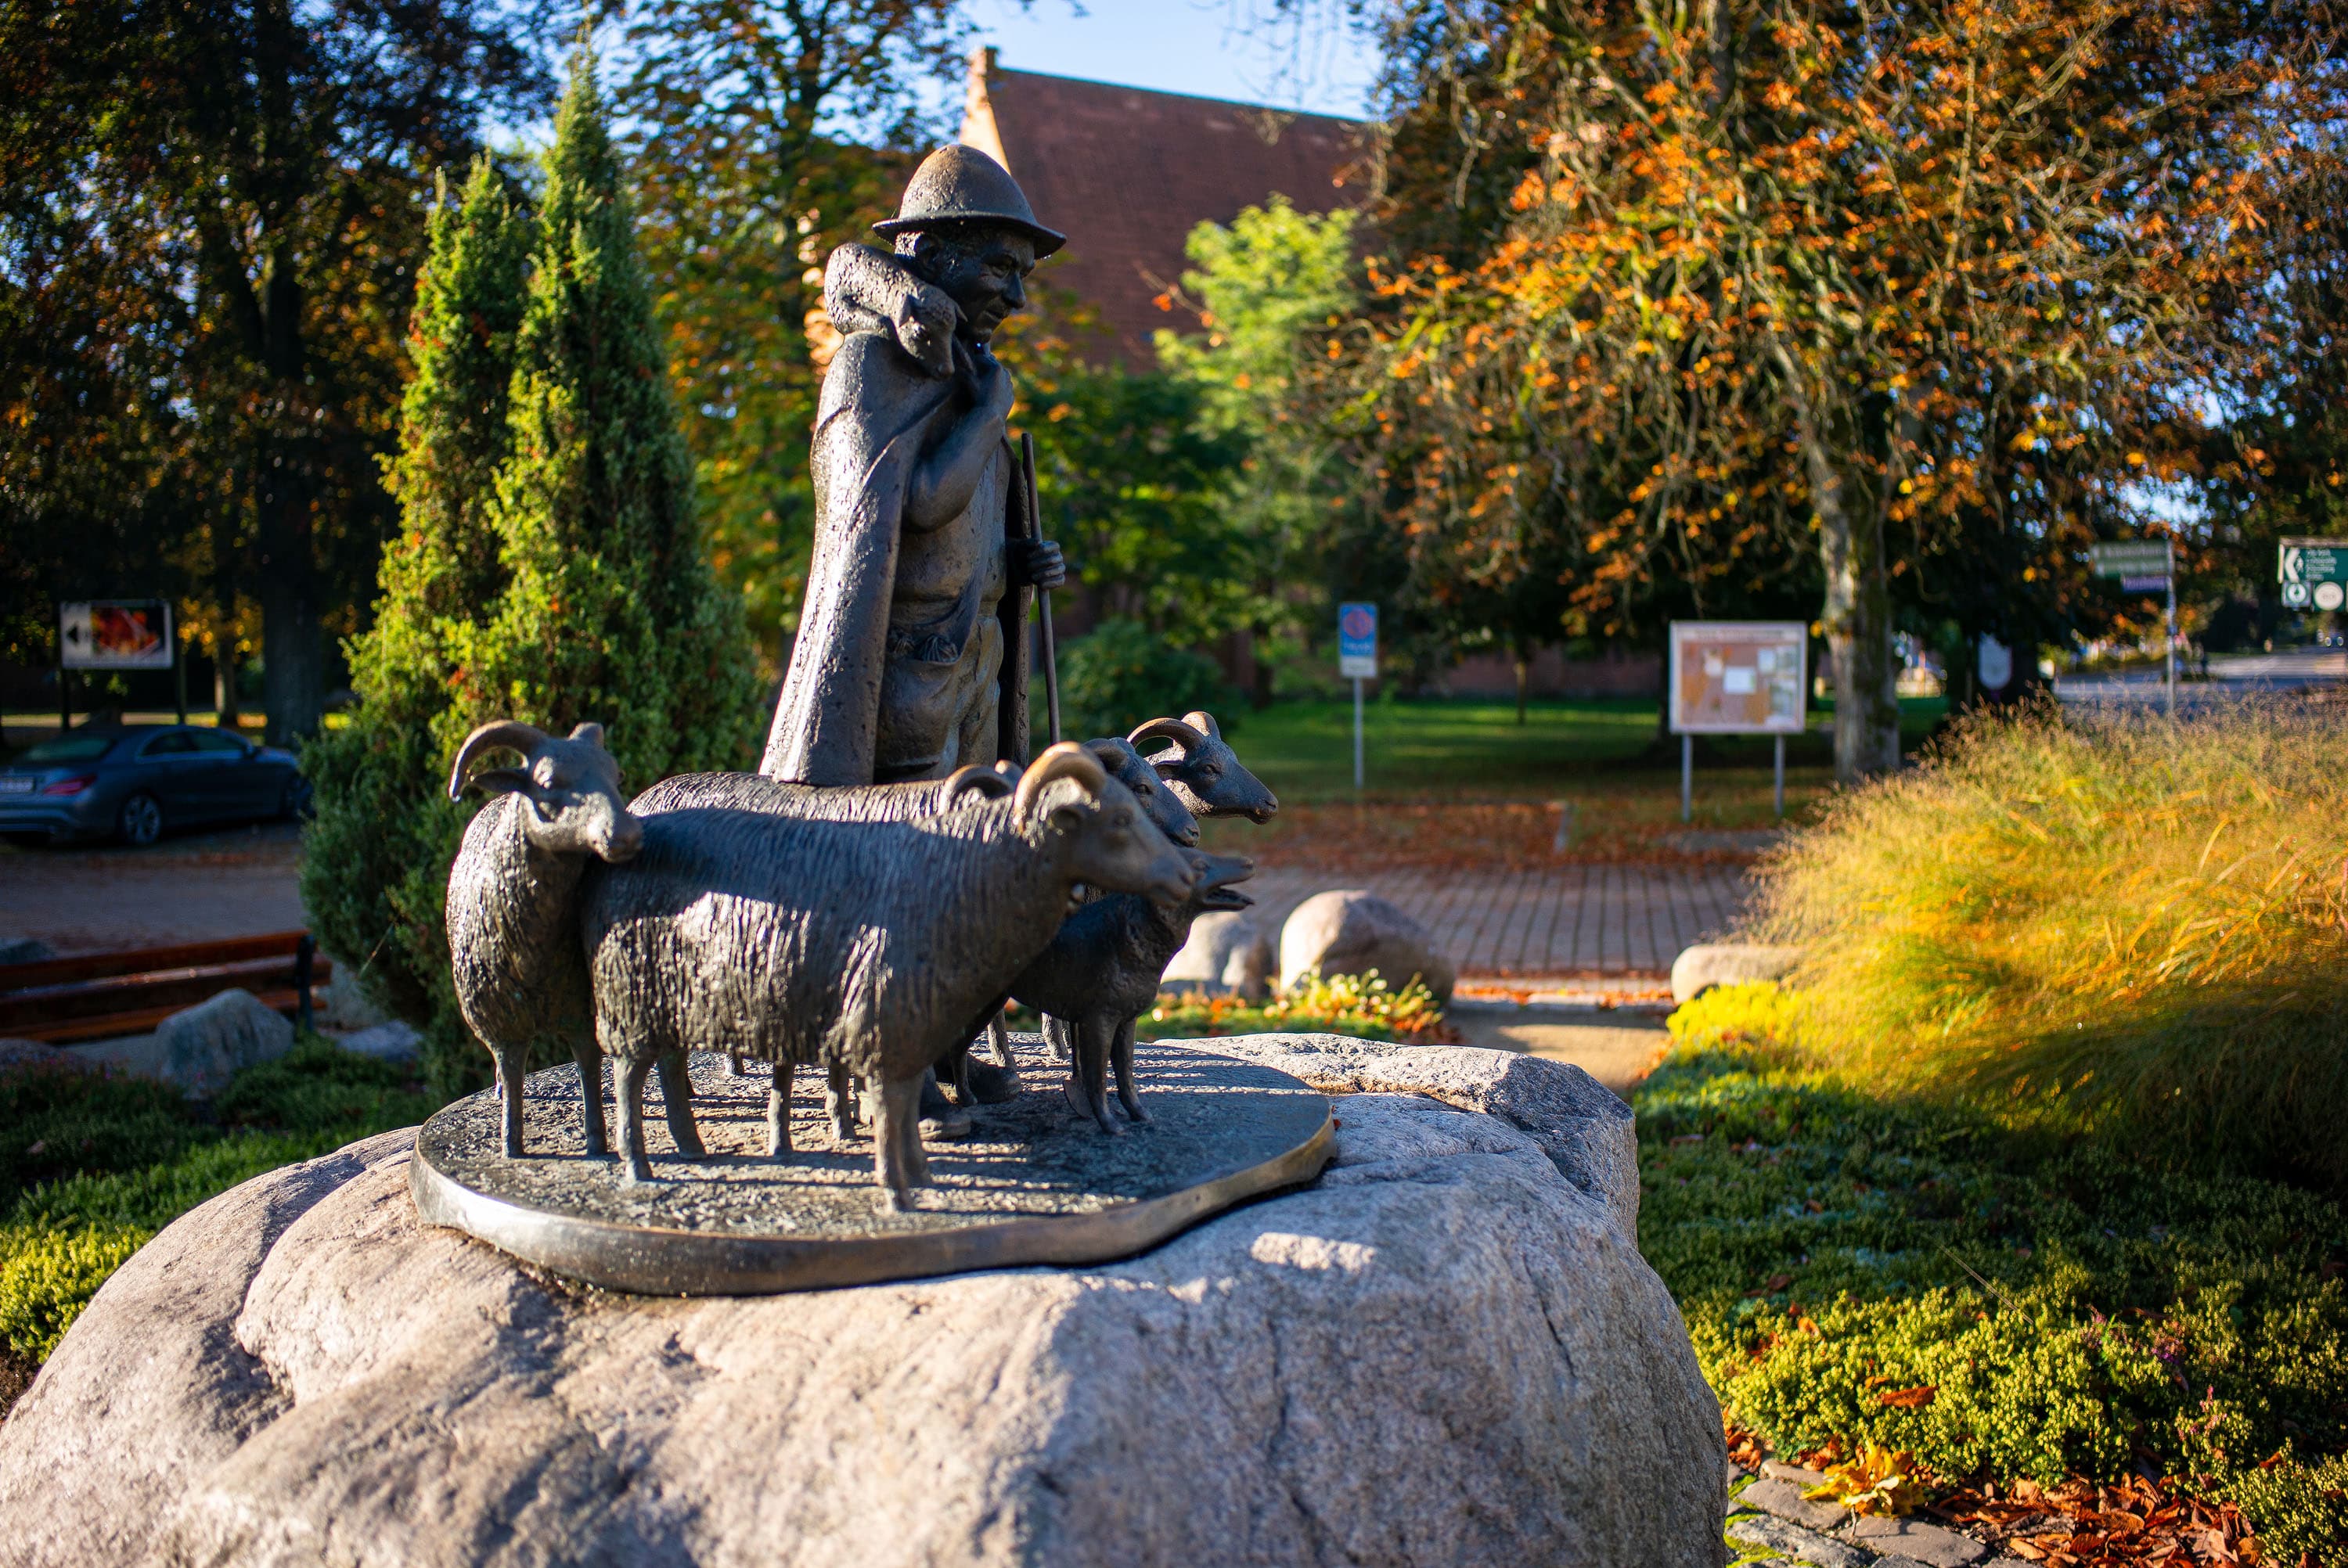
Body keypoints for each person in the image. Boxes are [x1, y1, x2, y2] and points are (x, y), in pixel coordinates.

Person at [762, 144, 1067, 786]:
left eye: (1023, 275)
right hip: (909, 680)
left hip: (978, 669)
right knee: (917, 840)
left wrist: (1014, 563)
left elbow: (956, 533)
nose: (1017, 297)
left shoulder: (971, 373)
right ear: (931, 257)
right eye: (1001, 267)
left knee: (982, 836)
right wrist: (989, 416)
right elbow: (919, 505)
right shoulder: (872, 366)